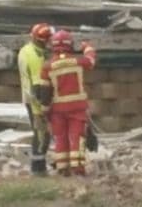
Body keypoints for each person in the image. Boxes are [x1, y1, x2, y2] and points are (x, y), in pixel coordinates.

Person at [36, 30, 97, 176]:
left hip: (57, 110)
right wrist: (88, 47)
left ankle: (63, 168)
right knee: (77, 136)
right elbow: (91, 61)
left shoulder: (47, 66)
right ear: (70, 45)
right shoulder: (78, 61)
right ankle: (78, 168)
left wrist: (44, 109)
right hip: (77, 108)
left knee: (60, 137)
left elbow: (45, 91)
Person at [18, 24, 53, 177]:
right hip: (35, 99)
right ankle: (37, 169)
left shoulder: (29, 50)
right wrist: (42, 105)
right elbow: (37, 85)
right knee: (41, 134)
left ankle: (39, 166)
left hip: (32, 96)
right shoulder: (34, 56)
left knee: (42, 133)